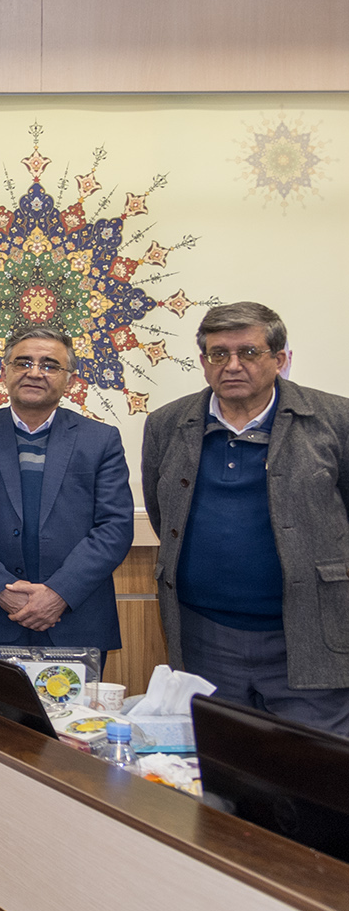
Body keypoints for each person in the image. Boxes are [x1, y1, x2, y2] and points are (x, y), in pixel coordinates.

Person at [144, 301, 349, 733]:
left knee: (314, 763)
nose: (233, 365)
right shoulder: (167, 424)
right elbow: (165, 516)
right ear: (204, 362)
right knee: (220, 760)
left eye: (249, 352)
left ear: (280, 359)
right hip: (204, 636)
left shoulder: (335, 420)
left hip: (311, 633)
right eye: (219, 353)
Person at [0, 326, 134, 651]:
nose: (35, 373)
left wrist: (59, 593)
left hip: (75, 620)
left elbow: (115, 527)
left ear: (71, 380)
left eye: (50, 365)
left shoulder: (101, 439)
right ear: (5, 372)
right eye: (23, 363)